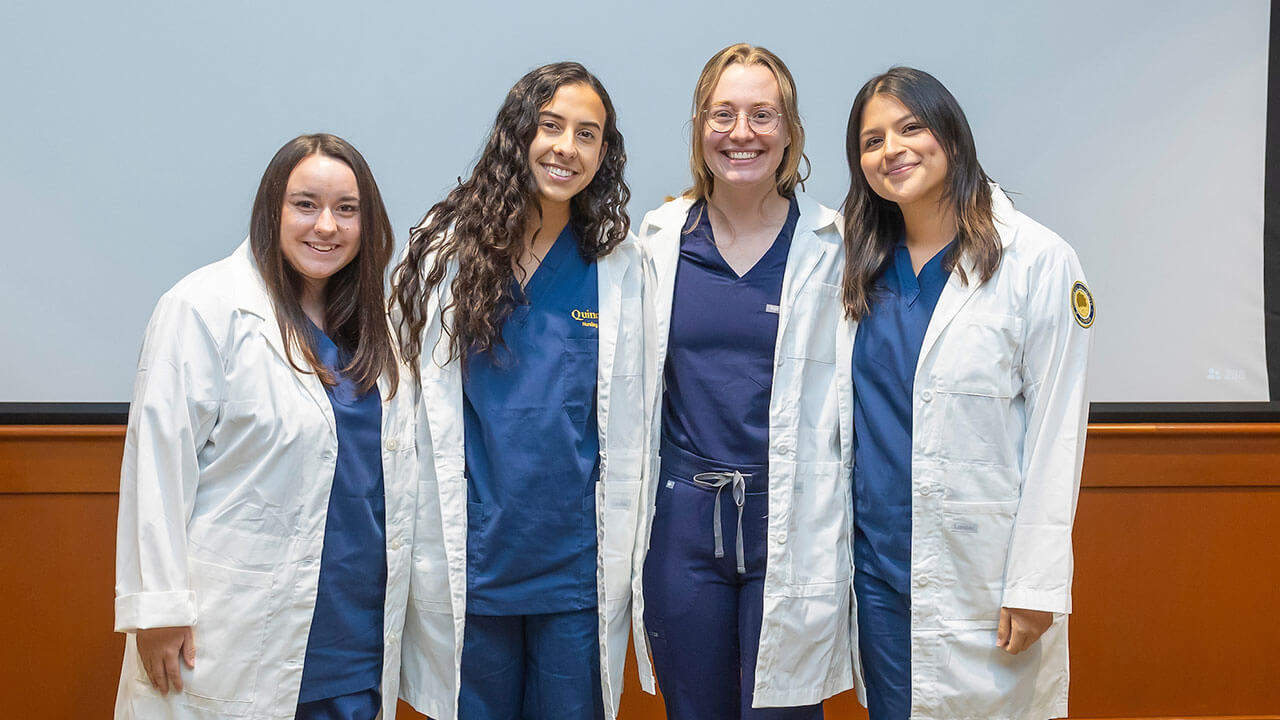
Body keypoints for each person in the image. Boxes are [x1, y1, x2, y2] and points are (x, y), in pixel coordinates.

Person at [113, 133, 416, 720]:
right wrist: (157, 607)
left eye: (346, 210)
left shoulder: (377, 331)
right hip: (235, 632)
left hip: (352, 642)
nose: (325, 225)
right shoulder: (204, 306)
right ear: (271, 210)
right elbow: (158, 464)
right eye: (305, 204)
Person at [392, 62, 646, 720]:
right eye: (551, 125)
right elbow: (404, 415)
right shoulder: (444, 257)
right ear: (517, 134)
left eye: (587, 134)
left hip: (574, 569)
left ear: (605, 154)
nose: (566, 146)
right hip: (476, 566)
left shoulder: (619, 266)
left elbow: (637, 418)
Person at [839, 66, 1093, 720]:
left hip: (984, 573)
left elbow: (1057, 430)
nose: (891, 149)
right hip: (881, 572)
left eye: (910, 127)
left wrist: (1037, 582)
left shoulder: (1037, 260)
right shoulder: (854, 260)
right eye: (871, 141)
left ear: (951, 135)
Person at [634, 43, 854, 720]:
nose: (742, 133)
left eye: (763, 115)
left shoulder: (834, 245)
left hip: (790, 512)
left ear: (790, 131)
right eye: (723, 114)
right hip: (684, 520)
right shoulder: (657, 240)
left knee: (784, 713)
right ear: (700, 127)